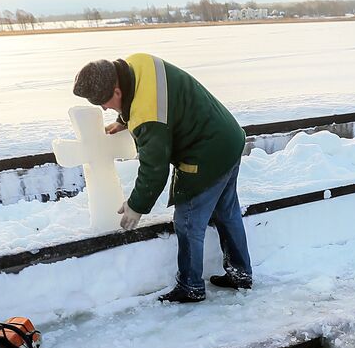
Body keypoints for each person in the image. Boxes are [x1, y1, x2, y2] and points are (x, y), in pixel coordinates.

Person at [72, 55, 252, 304]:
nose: (104, 109)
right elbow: (153, 97)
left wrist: (136, 206)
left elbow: (154, 170)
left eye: (105, 102)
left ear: (116, 90)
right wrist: (124, 119)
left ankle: (190, 287)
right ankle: (241, 273)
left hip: (207, 154)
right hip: (228, 138)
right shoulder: (138, 63)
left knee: (188, 222)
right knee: (226, 211)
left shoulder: (148, 117)